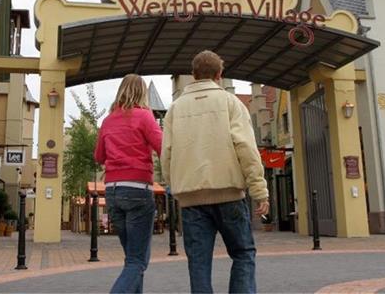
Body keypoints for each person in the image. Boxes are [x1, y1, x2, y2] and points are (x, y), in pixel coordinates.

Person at [162, 50, 269, 294]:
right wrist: (259, 191)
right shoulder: (231, 103)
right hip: (230, 195)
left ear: (193, 75)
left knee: (199, 263)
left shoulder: (175, 109)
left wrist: (174, 186)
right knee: (243, 254)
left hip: (191, 199)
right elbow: (247, 149)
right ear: (219, 75)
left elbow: (166, 153)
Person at [94, 74, 163, 294]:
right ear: (142, 92)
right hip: (137, 190)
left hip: (113, 191)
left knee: (132, 259)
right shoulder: (145, 117)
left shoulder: (107, 120)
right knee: (137, 261)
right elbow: (163, 147)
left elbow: (99, 156)